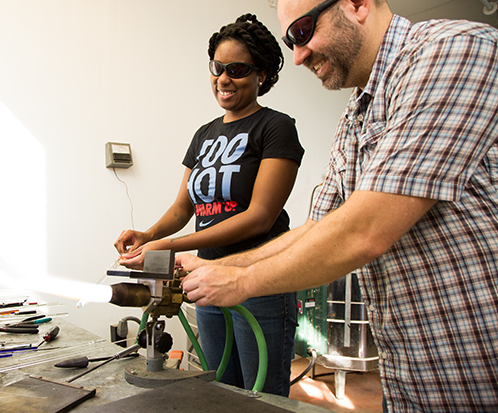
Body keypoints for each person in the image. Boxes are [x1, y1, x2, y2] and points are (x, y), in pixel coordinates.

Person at [179, 0, 498, 411]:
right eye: (289, 40)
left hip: (478, 364)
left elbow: (366, 230)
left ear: (357, 4)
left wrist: (242, 281)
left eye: (303, 31)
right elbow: (316, 228)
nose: (297, 56)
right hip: (410, 369)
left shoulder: (452, 50)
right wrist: (215, 266)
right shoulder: (355, 115)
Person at [114, 14, 304, 396]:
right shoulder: (204, 134)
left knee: (262, 396)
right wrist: (147, 234)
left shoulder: (276, 127)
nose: (223, 79)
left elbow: (259, 217)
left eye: (236, 69)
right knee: (219, 390)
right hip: (206, 281)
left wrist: (167, 247)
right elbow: (184, 209)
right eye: (218, 67)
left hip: (261, 282)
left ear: (261, 74)